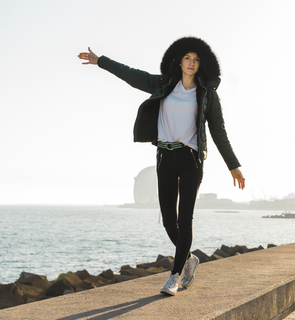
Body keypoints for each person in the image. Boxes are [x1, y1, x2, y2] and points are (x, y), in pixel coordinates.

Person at [78, 37, 245, 296]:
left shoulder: (207, 94)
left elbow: (218, 131)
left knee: (184, 219)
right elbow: (131, 75)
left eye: (196, 59)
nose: (191, 63)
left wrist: (233, 165)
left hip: (191, 160)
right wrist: (101, 61)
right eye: (187, 58)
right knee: (168, 221)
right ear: (179, 61)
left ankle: (175, 276)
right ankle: (189, 259)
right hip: (165, 157)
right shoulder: (163, 84)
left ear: (202, 64)